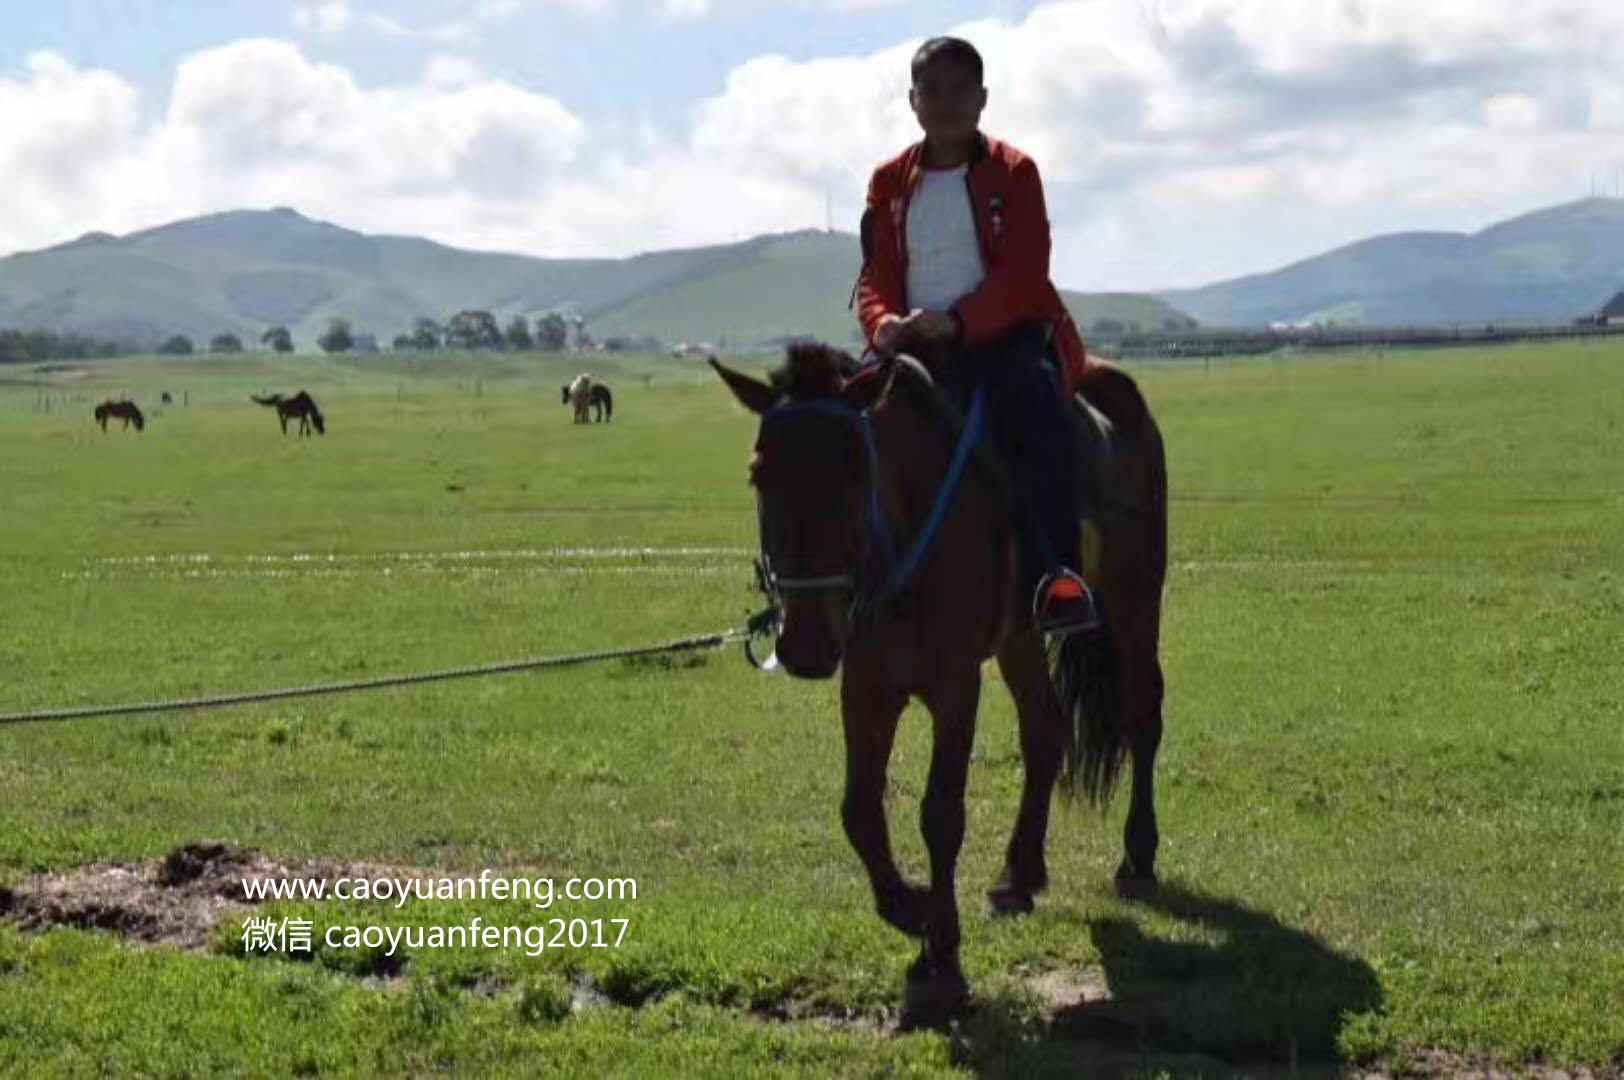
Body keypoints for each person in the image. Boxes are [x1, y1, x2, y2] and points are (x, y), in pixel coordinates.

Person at [853, 35, 1100, 634]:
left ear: (983, 97)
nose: (946, 102)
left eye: (960, 89)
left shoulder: (1015, 172)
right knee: (830, 424)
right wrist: (884, 322)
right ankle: (826, 584)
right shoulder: (888, 181)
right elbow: (874, 274)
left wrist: (959, 320)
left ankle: (1057, 581)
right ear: (913, 101)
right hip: (910, 343)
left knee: (1036, 418)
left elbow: (1025, 272)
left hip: (999, 337)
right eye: (932, 90)